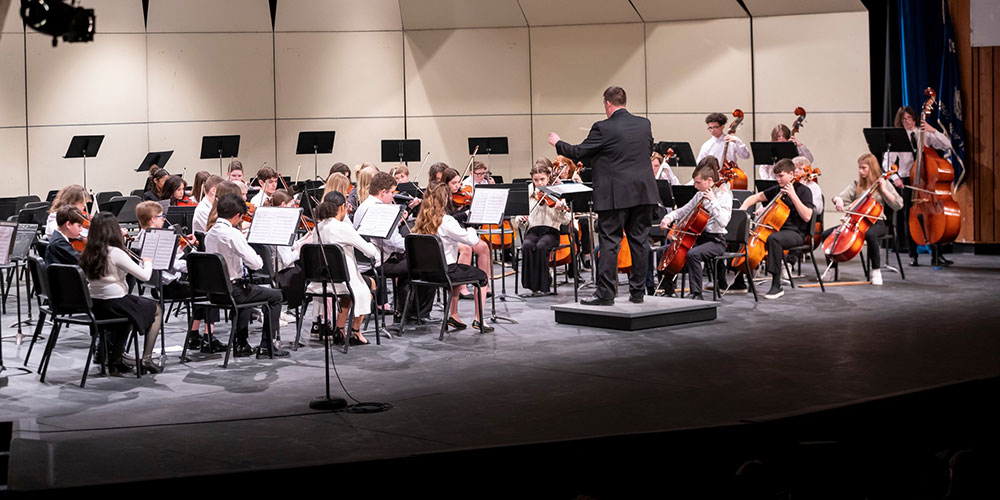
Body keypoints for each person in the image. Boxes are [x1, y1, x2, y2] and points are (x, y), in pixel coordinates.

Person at [549, 85, 658, 305]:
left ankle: (606, 294)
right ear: (623, 101)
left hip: (615, 195)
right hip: (643, 192)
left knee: (610, 242)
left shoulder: (603, 127)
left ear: (607, 103)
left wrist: (558, 143)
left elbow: (579, 152)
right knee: (639, 242)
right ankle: (638, 293)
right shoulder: (644, 124)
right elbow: (645, 152)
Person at [204, 193, 288, 358]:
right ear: (237, 215)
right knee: (276, 296)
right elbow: (256, 264)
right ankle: (267, 345)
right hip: (233, 291)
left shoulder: (210, 233)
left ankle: (241, 343)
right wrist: (257, 258)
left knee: (248, 291)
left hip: (214, 293)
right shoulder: (232, 234)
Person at [133, 201, 224, 352]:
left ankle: (194, 335)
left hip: (158, 285)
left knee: (200, 290)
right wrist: (193, 266)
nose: (163, 219)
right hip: (168, 287)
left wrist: (181, 250)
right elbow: (170, 265)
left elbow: (166, 260)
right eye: (161, 216)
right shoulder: (154, 237)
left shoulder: (142, 236)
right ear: (152, 220)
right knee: (209, 290)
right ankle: (208, 338)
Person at [79, 212, 163, 375]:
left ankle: (115, 359)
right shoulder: (116, 252)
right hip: (115, 302)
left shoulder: (88, 251)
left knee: (131, 314)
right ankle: (146, 358)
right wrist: (148, 262)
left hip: (95, 304)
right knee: (157, 310)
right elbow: (144, 276)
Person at [413, 184, 492, 332]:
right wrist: (471, 228)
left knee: (458, 270)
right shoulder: (446, 221)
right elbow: (471, 240)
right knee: (482, 277)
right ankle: (479, 319)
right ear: (446, 199)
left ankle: (454, 316)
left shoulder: (421, 220)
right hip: (444, 272)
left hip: (424, 272)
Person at [353, 172, 432, 320]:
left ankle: (402, 310)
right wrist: (413, 246)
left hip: (363, 260)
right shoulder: (380, 209)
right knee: (423, 263)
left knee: (408, 262)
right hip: (376, 261)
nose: (393, 196)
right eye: (391, 192)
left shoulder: (364, 205)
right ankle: (416, 313)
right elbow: (392, 241)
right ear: (383, 192)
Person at [308, 191, 380, 345]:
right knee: (370, 285)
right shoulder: (342, 228)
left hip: (322, 281)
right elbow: (369, 252)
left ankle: (340, 329)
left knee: (348, 294)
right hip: (343, 281)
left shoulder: (317, 228)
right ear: (342, 208)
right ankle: (355, 331)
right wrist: (374, 246)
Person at [821, 153, 903, 286]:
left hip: (877, 222)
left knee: (870, 234)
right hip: (856, 222)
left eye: (864, 168)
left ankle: (876, 271)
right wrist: (838, 201)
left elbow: (898, 204)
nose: (860, 171)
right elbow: (838, 196)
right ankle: (832, 270)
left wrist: (883, 189)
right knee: (826, 234)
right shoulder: (857, 185)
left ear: (872, 168)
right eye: (859, 168)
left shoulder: (884, 183)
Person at [657, 157, 733, 300]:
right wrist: (669, 218)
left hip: (716, 241)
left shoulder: (724, 197)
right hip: (699, 238)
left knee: (693, 254)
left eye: (698, 183)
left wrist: (713, 202)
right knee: (664, 250)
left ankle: (697, 293)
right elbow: (683, 211)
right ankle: (667, 289)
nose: (695, 186)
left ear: (710, 181)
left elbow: (723, 222)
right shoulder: (699, 195)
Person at [738, 158, 814, 299]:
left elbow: (807, 216)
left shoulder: (804, 191)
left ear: (791, 174)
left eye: (781, 176)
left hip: (795, 233)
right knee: (741, 234)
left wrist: (793, 196)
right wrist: (743, 208)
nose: (778, 179)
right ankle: (740, 280)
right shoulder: (778, 189)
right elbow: (755, 197)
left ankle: (776, 284)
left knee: (774, 239)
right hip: (776, 230)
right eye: (776, 176)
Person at [888, 105, 953, 267]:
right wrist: (895, 178)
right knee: (909, 218)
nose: (907, 122)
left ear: (914, 118)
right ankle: (913, 254)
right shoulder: (898, 137)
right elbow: (887, 162)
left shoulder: (923, 133)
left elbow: (947, 145)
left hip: (926, 181)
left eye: (909, 118)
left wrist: (933, 130)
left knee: (933, 215)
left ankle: (936, 255)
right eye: (903, 119)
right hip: (907, 180)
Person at [517, 159, 572, 296]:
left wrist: (561, 209)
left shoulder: (557, 191)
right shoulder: (529, 192)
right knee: (527, 246)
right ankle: (532, 286)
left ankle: (545, 283)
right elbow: (520, 220)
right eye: (536, 180)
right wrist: (522, 220)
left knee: (541, 246)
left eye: (542, 179)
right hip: (533, 230)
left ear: (549, 177)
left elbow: (567, 220)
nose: (539, 183)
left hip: (551, 231)